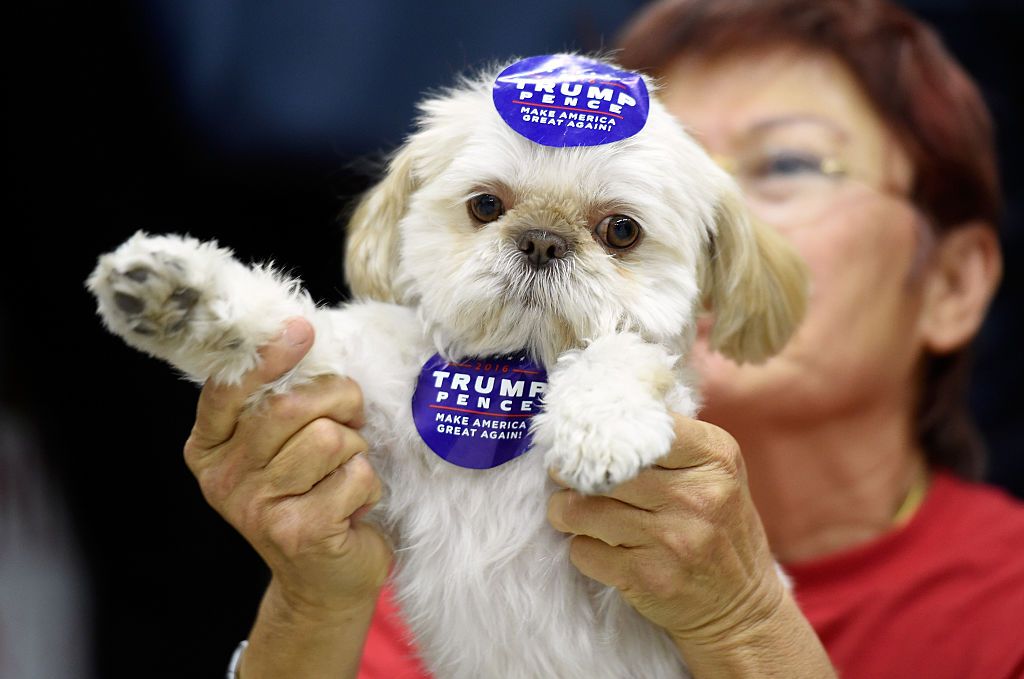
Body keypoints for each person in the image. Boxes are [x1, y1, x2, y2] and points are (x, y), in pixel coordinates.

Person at [184, 0, 1023, 677]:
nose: (710, 238)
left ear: (952, 283)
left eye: (787, 164)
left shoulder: (1005, 604)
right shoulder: (453, 525)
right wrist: (314, 600)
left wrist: (740, 623)